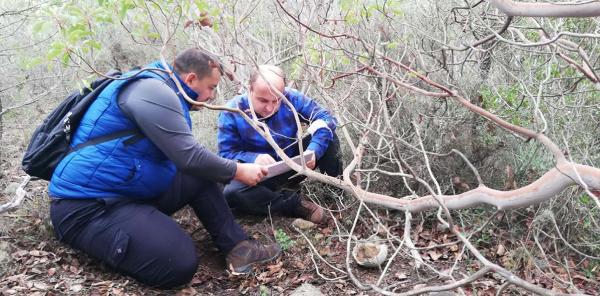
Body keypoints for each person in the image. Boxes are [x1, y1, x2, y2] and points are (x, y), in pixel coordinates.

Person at [48, 49, 281, 288]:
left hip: (128, 192)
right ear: (190, 79)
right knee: (178, 264)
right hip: (87, 207)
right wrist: (238, 170)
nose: (212, 95)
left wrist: (230, 169)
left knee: (199, 175)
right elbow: (188, 156)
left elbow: (189, 160)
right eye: (211, 87)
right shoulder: (151, 91)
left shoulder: (162, 87)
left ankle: (238, 249)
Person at [217, 65, 342, 225]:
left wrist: (314, 150)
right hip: (259, 175)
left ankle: (335, 191)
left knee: (328, 136)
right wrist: (253, 158)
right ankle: (296, 205)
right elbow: (226, 155)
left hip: (295, 164)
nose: (269, 108)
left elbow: (325, 118)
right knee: (233, 192)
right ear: (250, 89)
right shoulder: (231, 112)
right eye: (262, 100)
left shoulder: (291, 97)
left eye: (276, 100)